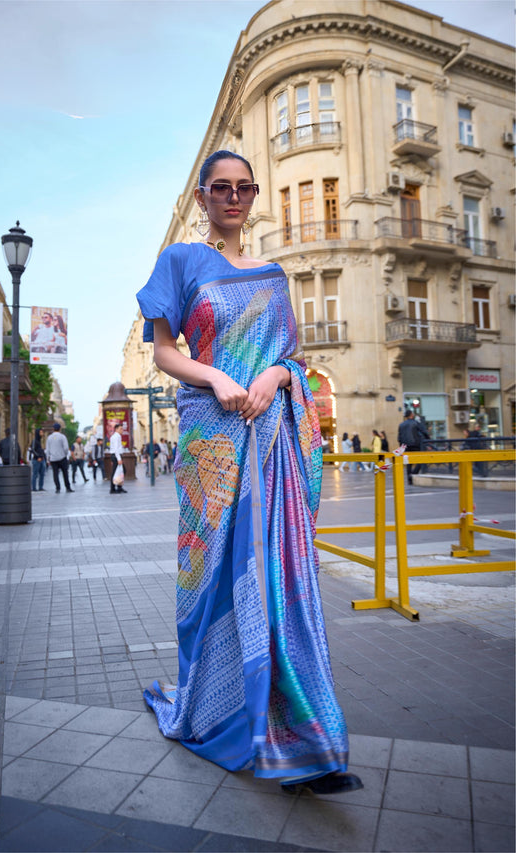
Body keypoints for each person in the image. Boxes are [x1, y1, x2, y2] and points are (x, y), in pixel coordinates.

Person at [136, 149, 361, 797]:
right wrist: (216, 376)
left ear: (253, 195)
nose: (233, 197)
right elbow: (164, 351)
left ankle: (302, 737)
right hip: (212, 448)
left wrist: (276, 374)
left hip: (271, 447)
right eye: (220, 188)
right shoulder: (181, 262)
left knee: (276, 580)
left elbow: (289, 356)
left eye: (244, 188)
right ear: (203, 197)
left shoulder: (274, 274)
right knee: (211, 584)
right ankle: (215, 710)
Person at [397, 410, 429, 485]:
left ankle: (409, 479)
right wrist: (428, 440)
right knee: (421, 460)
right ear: (411, 415)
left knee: (408, 462)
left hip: (405, 446)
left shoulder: (401, 425)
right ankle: (414, 473)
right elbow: (424, 431)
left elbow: (399, 437)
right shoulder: (415, 423)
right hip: (415, 444)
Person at [45, 423, 74, 493]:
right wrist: (65, 454)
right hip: (62, 458)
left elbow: (47, 449)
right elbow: (66, 447)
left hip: (53, 458)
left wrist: (47, 458)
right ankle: (68, 487)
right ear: (60, 429)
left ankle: (58, 488)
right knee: (65, 473)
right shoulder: (62, 437)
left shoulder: (49, 437)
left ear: (53, 429)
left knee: (55, 474)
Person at [109, 423, 127, 494]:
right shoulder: (116, 437)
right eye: (120, 429)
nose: (122, 430)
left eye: (122, 428)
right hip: (116, 456)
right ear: (116, 429)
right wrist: (119, 458)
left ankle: (119, 487)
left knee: (121, 472)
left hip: (116, 456)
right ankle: (112, 489)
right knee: (116, 472)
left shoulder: (117, 436)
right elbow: (116, 449)